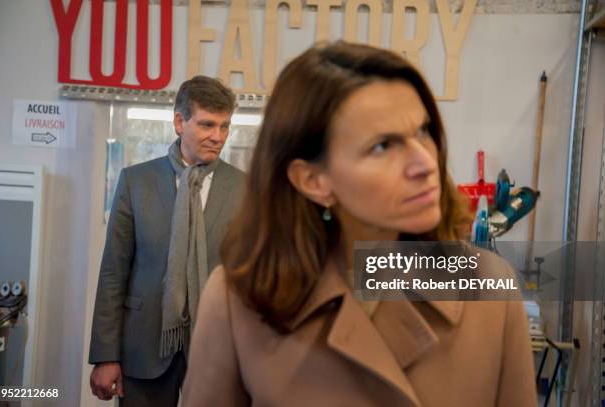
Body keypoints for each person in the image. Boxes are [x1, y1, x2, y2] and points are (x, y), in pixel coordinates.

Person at [181, 42, 538, 406]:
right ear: (313, 181)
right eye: (383, 146)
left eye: (423, 131)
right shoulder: (237, 300)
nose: (425, 163)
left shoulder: (490, 288)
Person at [89, 75, 245, 406]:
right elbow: (114, 273)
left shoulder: (246, 189)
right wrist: (105, 355)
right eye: (207, 125)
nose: (218, 137)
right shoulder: (136, 182)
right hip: (143, 349)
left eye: (224, 126)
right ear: (179, 122)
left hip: (217, 354)